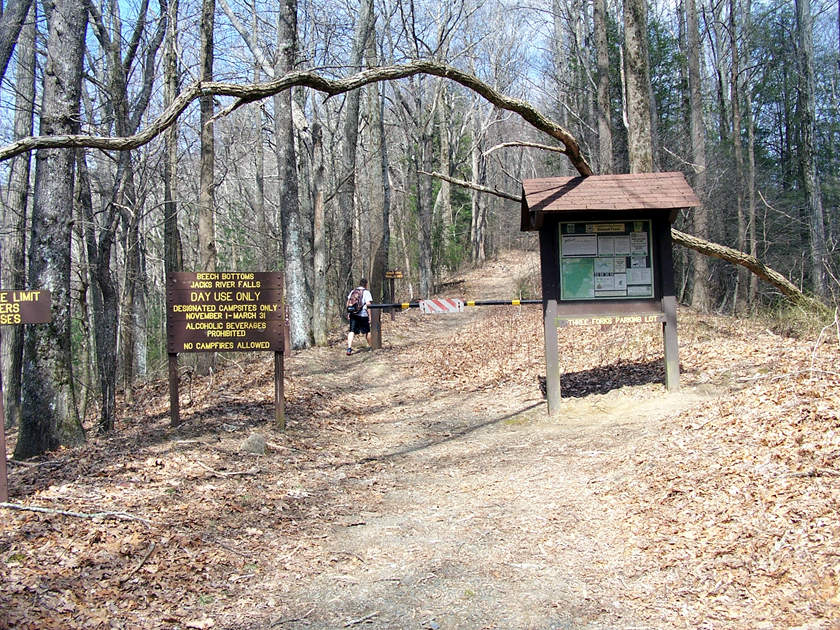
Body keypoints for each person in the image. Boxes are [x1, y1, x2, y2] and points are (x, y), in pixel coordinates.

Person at [346, 278, 373, 355]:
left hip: (353, 314)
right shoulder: (366, 292)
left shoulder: (353, 291)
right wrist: (370, 316)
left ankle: (349, 348)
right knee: (367, 331)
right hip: (363, 314)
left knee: (351, 331)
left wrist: (349, 313)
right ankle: (371, 347)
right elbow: (368, 304)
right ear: (366, 284)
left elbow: (348, 303)